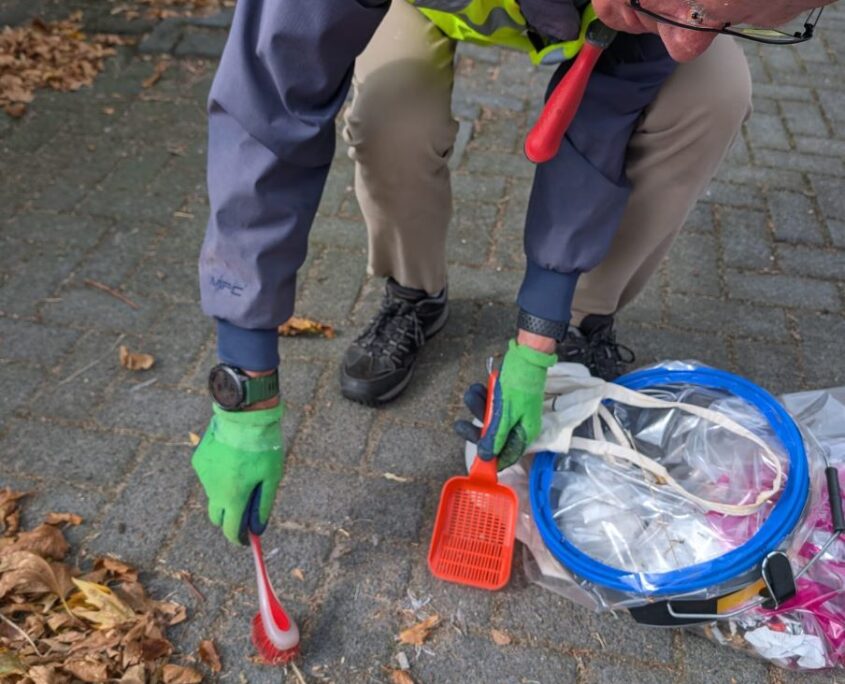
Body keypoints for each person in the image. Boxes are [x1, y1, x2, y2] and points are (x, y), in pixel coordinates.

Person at [192, 0, 831, 545]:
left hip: (586, 15)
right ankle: (414, 292)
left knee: (712, 91)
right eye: (690, 10)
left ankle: (578, 331)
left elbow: (595, 125)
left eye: (730, 18)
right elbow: (269, 110)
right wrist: (244, 387)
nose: (689, 39)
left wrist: (538, 335)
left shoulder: (674, 20)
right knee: (391, 117)